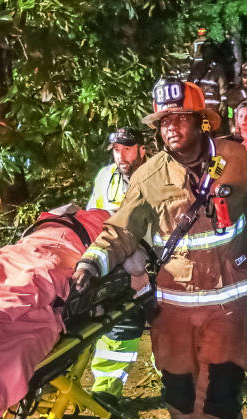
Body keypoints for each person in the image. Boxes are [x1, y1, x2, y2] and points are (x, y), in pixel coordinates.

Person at [71, 78, 247, 419]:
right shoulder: (149, 175)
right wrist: (92, 263)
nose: (171, 128)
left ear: (200, 121)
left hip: (230, 301)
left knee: (220, 387)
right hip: (174, 306)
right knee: (179, 388)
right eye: (164, 122)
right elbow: (121, 230)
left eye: (180, 118)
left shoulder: (234, 159)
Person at [85, 127, 148, 397]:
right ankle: (106, 392)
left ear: (141, 149)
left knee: (170, 331)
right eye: (116, 150)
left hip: (154, 260)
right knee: (118, 323)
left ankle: (179, 385)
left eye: (127, 149)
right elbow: (93, 217)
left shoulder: (156, 175)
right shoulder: (105, 176)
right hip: (116, 259)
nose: (120, 156)